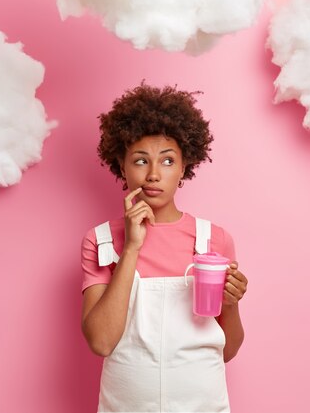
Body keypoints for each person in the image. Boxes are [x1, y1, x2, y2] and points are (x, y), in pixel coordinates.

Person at [80, 83, 248, 412]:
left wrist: (230, 304)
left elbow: (226, 350)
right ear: (122, 165)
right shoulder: (100, 241)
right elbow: (101, 342)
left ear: (185, 166)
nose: (154, 174)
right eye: (141, 161)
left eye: (168, 161)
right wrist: (131, 248)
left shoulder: (213, 240)